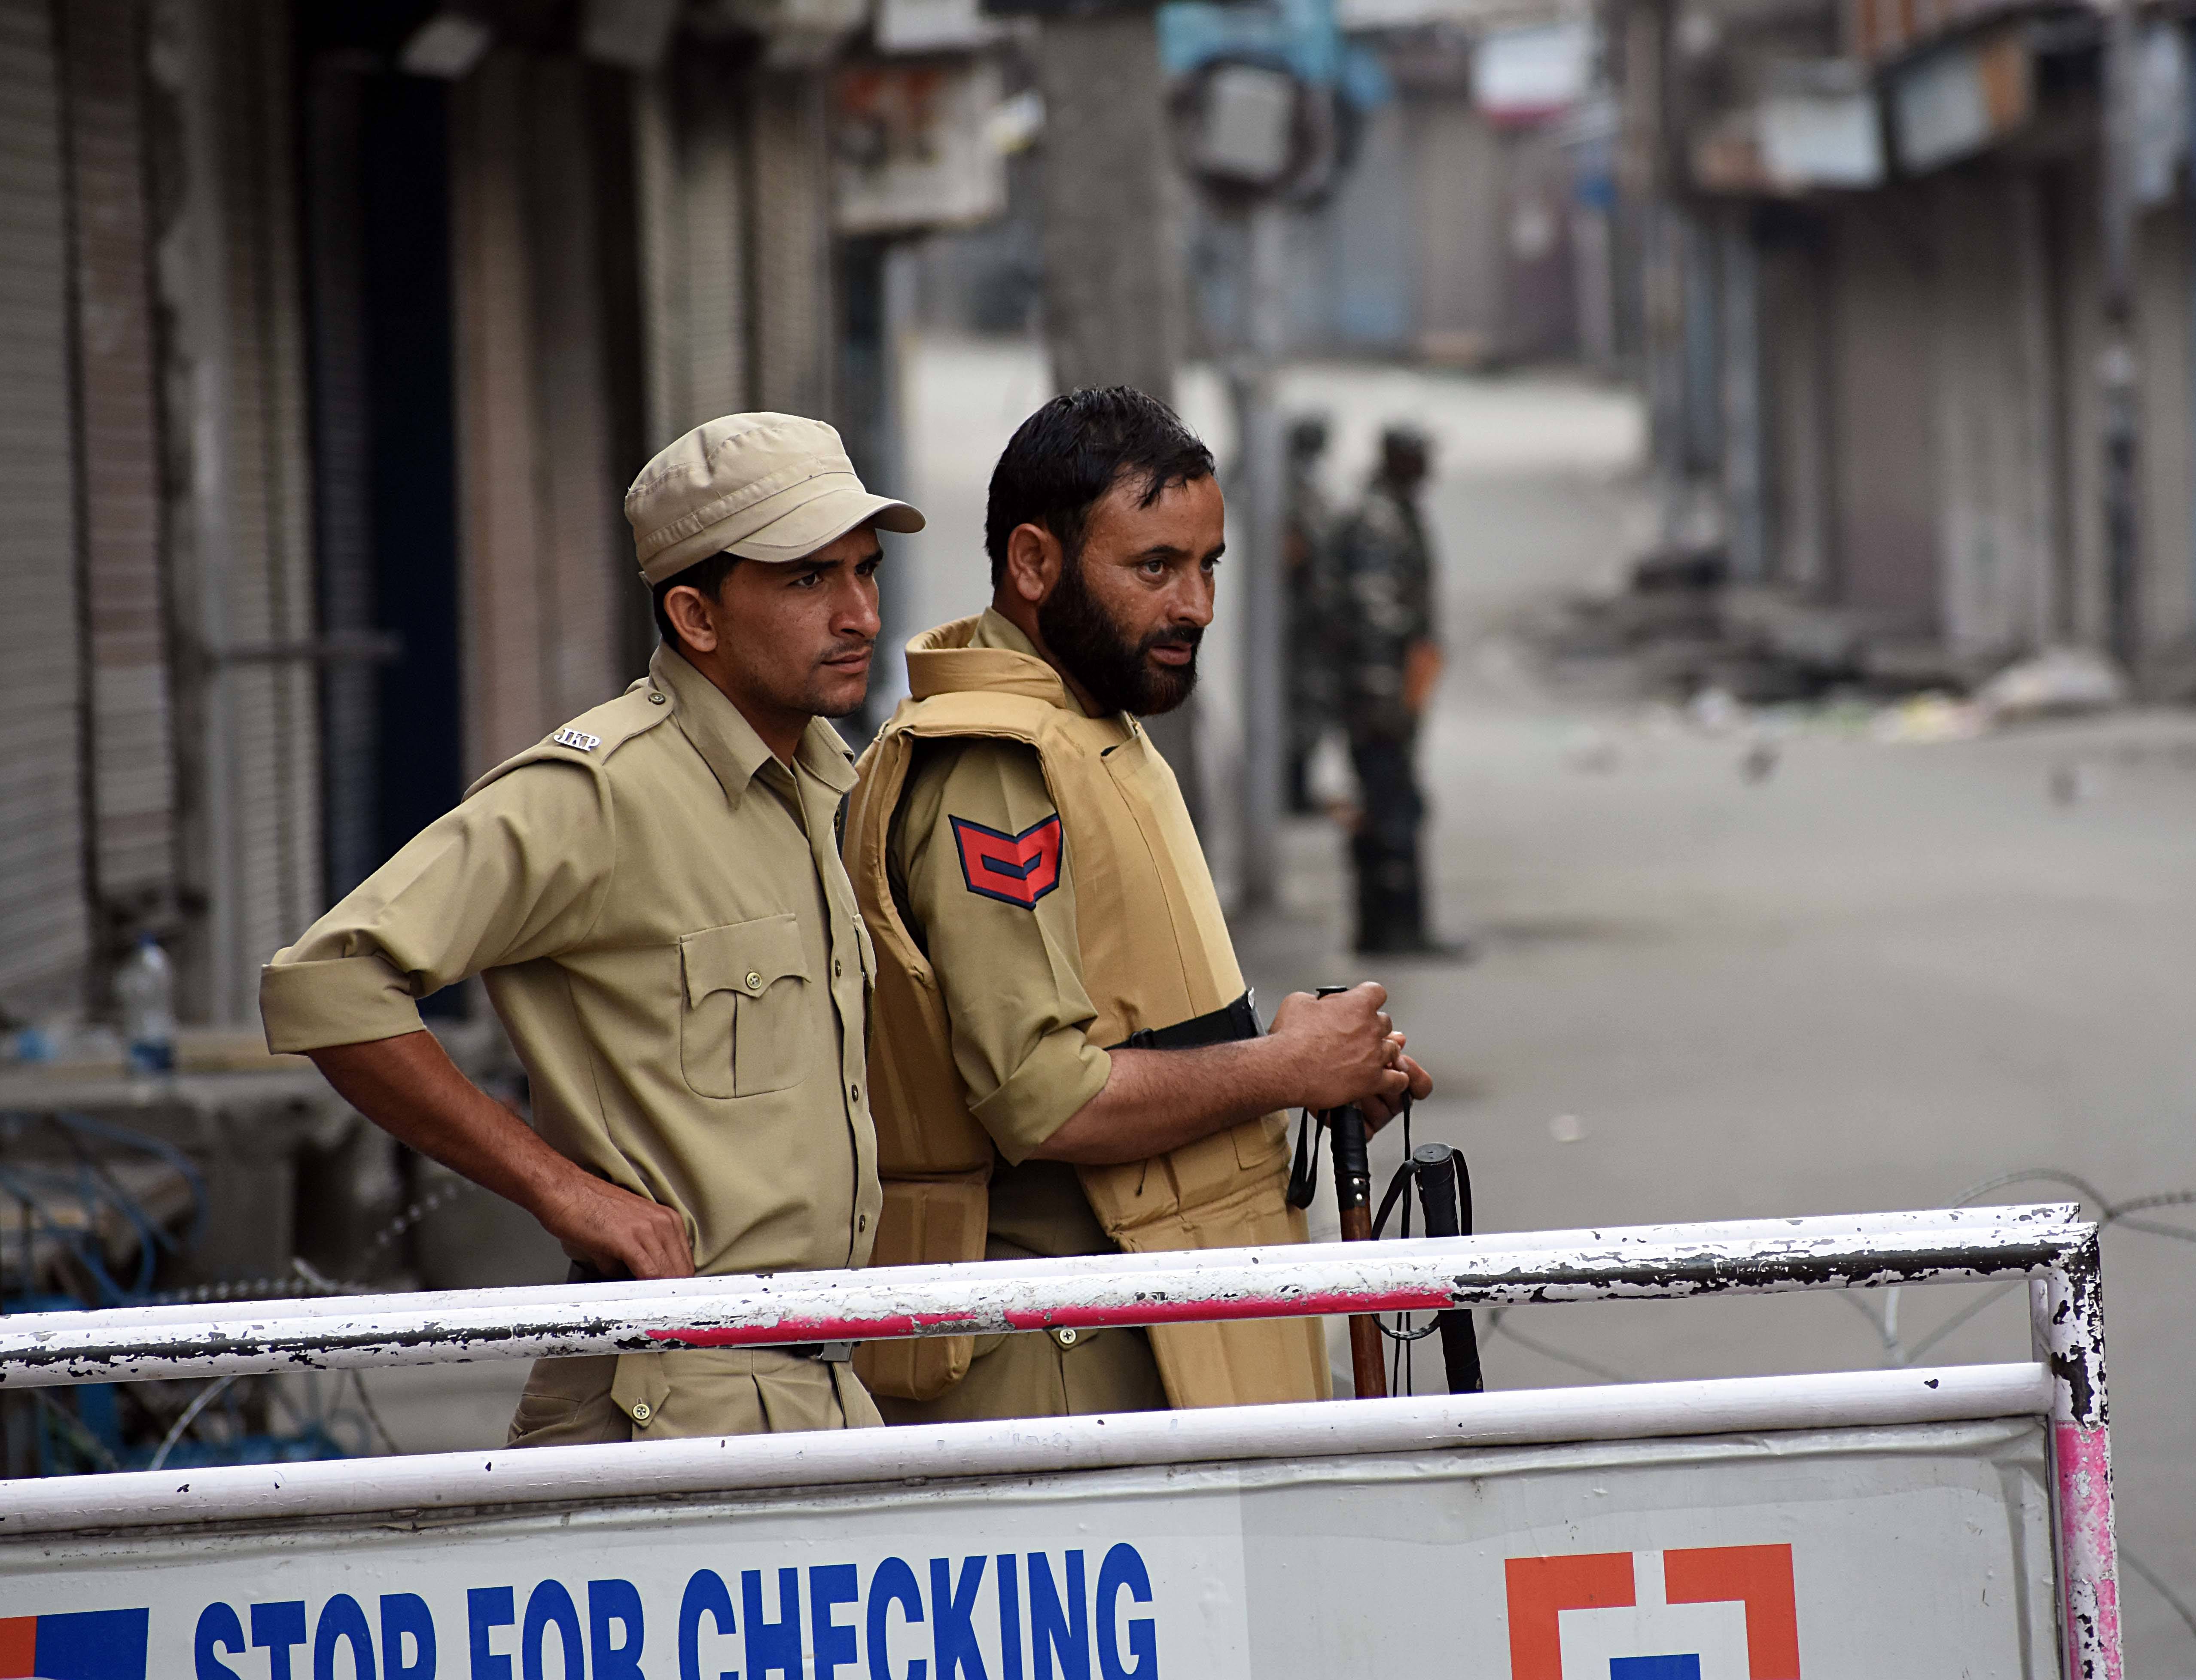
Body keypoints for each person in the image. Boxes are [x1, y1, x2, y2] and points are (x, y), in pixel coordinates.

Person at [260, 413, 923, 1444]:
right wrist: (563, 1189)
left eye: (865, 570)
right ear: (697, 617)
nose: (861, 614)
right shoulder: (604, 790)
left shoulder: (822, 782)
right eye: (808, 580)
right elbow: (327, 982)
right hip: (671, 1397)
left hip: (823, 1386)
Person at [842, 387, 1432, 1422]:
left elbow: (1146, 1018)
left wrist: (1305, 1062)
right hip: (1075, 1361)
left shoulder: (1088, 709)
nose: (1196, 604)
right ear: (1034, 564)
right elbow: (1044, 1092)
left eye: (1208, 566)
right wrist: (1284, 1066)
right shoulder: (995, 765)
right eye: (1154, 566)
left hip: (1158, 1318)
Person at [1334, 424, 1453, 953]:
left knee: (1396, 802)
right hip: (1376, 695)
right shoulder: (1377, 521)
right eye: (1421, 456)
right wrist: (1385, 698)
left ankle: (1395, 926)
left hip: (1395, 690)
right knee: (1389, 808)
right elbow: (1371, 616)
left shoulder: (1396, 512)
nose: (1430, 467)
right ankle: (1389, 930)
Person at [1283, 413, 1340, 813]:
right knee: (1303, 701)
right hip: (1302, 615)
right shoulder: (1295, 491)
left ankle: (1298, 786)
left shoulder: (1303, 487)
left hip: (1311, 612)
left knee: (1310, 702)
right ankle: (1293, 790)